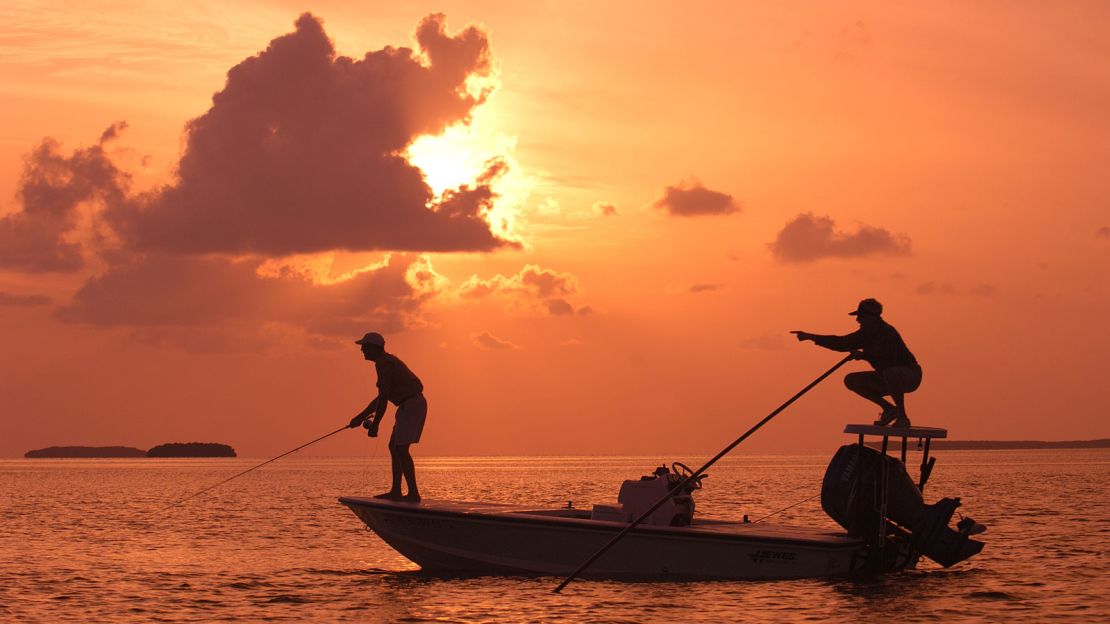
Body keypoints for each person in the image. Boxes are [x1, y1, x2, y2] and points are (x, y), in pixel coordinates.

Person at [791, 298, 922, 427]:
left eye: (861, 316)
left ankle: (902, 417)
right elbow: (841, 343)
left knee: (891, 373)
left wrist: (864, 355)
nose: (857, 320)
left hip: (910, 375)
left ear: (872, 317)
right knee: (851, 380)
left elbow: (889, 360)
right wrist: (810, 337)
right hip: (885, 375)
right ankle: (888, 409)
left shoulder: (887, 332)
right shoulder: (864, 334)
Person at [348, 332, 427, 502]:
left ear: (372, 348)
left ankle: (413, 493)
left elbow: (383, 399)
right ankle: (396, 491)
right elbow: (381, 397)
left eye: (364, 346)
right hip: (407, 405)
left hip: (412, 405)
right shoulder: (385, 362)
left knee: (400, 448)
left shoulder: (383, 363)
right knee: (394, 446)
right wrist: (360, 417)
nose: (362, 349)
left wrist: (375, 425)